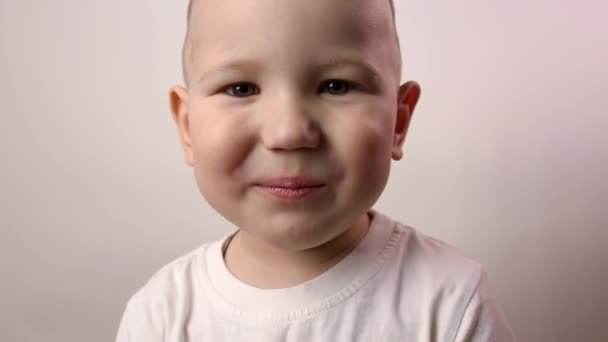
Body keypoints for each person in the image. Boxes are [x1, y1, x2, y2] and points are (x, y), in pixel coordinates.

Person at [116, 0, 516, 340]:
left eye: (336, 86)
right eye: (241, 89)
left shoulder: (451, 303)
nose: (289, 132)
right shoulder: (159, 316)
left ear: (398, 123)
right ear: (187, 127)